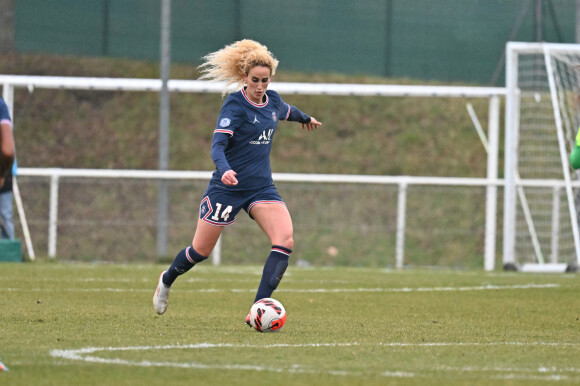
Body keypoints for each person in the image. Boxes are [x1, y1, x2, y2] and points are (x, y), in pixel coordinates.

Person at [153, 40, 322, 324]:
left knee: (284, 240)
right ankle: (167, 278)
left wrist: (306, 118)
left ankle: (257, 308)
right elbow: (217, 147)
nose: (260, 86)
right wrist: (225, 169)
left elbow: (286, 111)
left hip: (260, 188)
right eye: (254, 80)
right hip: (226, 188)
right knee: (199, 252)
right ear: (244, 78)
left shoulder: (273, 101)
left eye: (264, 80)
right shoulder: (235, 105)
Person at [0, 98, 15, 238]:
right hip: (3, 172)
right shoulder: (1, 106)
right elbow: (9, 152)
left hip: (5, 174)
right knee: (6, 215)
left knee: (5, 216)